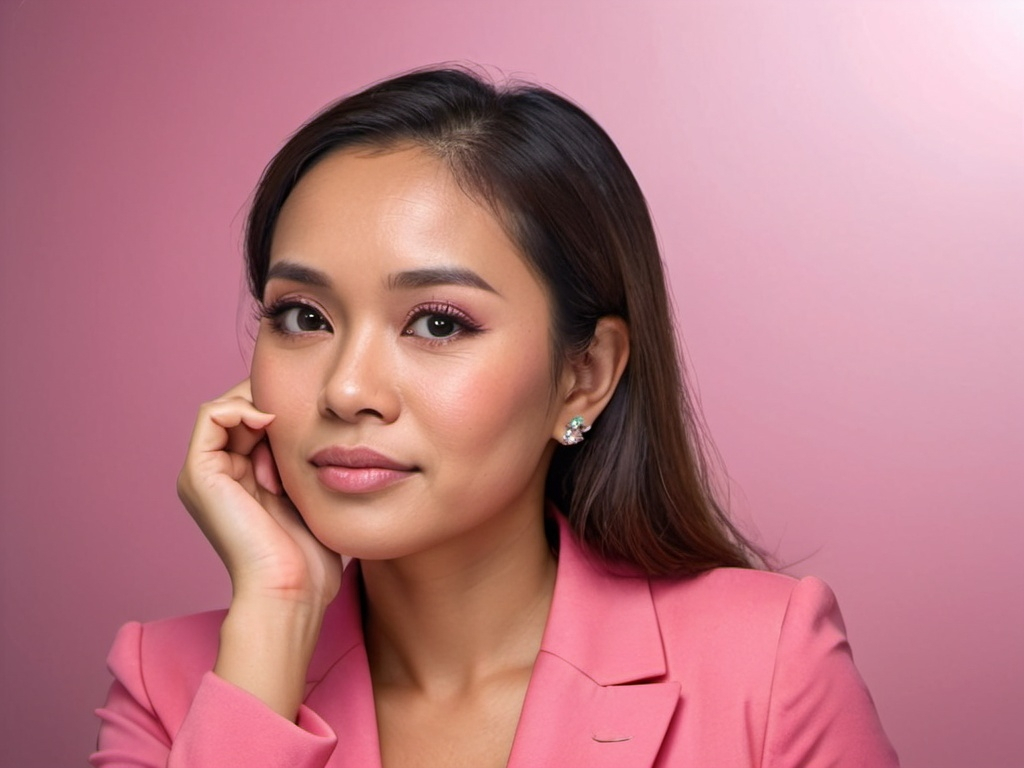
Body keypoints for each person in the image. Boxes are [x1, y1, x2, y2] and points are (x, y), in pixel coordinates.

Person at [91, 67, 899, 767]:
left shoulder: (768, 665)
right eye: (303, 316)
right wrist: (279, 608)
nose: (346, 390)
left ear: (584, 378)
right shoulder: (170, 683)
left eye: (438, 322)